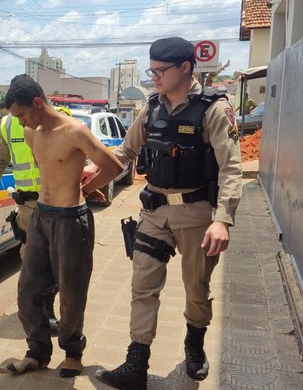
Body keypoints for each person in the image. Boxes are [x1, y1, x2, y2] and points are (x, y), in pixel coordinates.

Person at [94, 37, 242, 390]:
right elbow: (125, 153)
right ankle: (136, 363)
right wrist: (89, 172)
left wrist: (222, 219)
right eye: (152, 70)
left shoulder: (214, 110)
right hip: (154, 212)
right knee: (142, 285)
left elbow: (232, 169)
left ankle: (194, 344)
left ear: (185, 68)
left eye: (160, 71)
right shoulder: (150, 109)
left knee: (196, 288)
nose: (154, 77)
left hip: (197, 215)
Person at [3, 74, 123, 378]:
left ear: (38, 103)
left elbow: (114, 166)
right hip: (41, 217)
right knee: (27, 289)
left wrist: (86, 188)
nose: (20, 123)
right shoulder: (33, 133)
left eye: (21, 115)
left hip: (71, 220)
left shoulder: (75, 131)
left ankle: (72, 353)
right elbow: (48, 170)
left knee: (71, 291)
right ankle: (38, 353)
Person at [0, 106, 72, 331]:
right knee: (31, 259)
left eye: (21, 110)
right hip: (27, 206)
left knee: (56, 259)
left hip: (56, 202)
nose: (20, 118)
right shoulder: (7, 124)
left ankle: (49, 308)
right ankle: (38, 308)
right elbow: (0, 160)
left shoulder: (60, 117)